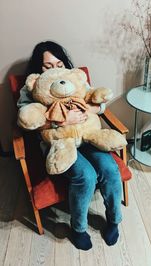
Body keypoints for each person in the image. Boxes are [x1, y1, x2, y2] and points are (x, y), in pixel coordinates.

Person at [17, 41, 122, 251]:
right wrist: (61, 120)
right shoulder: (32, 88)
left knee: (110, 169)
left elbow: (99, 102)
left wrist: (86, 111)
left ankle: (113, 220)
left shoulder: (74, 78)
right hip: (59, 144)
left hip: (88, 135)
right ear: (39, 68)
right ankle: (79, 228)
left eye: (58, 63)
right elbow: (27, 121)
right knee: (86, 176)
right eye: (48, 66)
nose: (54, 69)